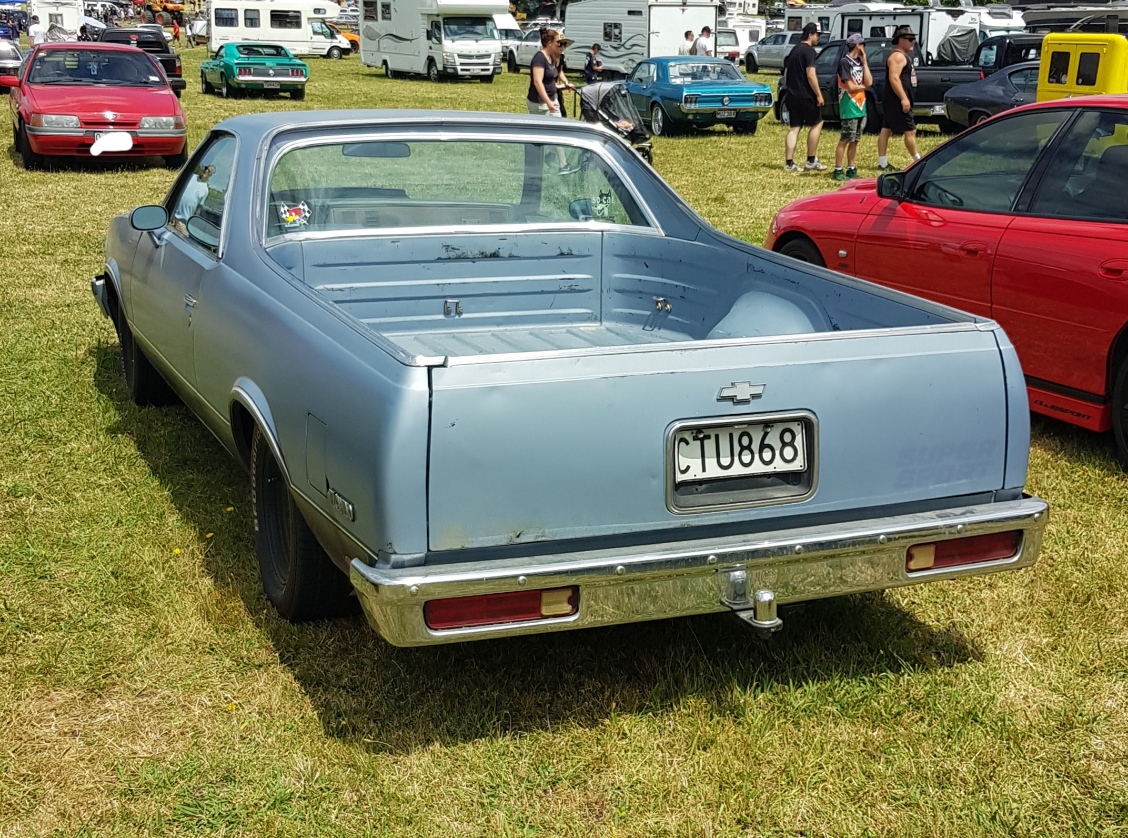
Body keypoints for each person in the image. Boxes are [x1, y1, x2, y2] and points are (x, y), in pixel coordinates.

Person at [782, 23, 825, 172]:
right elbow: (811, 74)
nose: (819, 38)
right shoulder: (809, 51)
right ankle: (811, 160)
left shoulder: (793, 50)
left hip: (791, 95)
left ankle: (789, 163)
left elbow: (786, 74)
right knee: (817, 123)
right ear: (810, 34)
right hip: (806, 96)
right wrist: (819, 95)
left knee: (794, 127)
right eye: (817, 35)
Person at [878, 25, 920, 172]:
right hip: (896, 100)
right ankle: (918, 161)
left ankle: (882, 162)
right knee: (910, 131)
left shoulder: (903, 56)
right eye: (909, 39)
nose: (912, 42)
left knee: (886, 129)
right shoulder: (897, 56)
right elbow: (894, 79)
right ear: (899, 40)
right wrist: (903, 98)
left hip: (893, 100)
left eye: (913, 39)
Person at [832, 33, 872, 181]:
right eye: (863, 44)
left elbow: (869, 81)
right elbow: (850, 87)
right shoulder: (845, 62)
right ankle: (837, 169)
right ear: (857, 45)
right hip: (849, 106)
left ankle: (851, 167)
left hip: (861, 106)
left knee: (855, 139)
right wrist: (863, 87)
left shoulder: (860, 63)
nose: (864, 47)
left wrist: (865, 62)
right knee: (845, 138)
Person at [526, 29, 574, 118]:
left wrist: (565, 84)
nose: (561, 46)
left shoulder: (551, 58)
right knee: (547, 130)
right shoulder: (539, 58)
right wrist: (548, 102)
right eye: (558, 43)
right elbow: (537, 82)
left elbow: (555, 75)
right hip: (540, 103)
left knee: (558, 127)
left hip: (552, 99)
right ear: (549, 43)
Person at [172, 163, 215, 232]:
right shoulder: (191, 177)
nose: (206, 170)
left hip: (183, 222)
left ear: (210, 175)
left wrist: (193, 225)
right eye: (206, 168)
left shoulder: (205, 190)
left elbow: (198, 209)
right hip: (171, 215)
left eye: (209, 171)